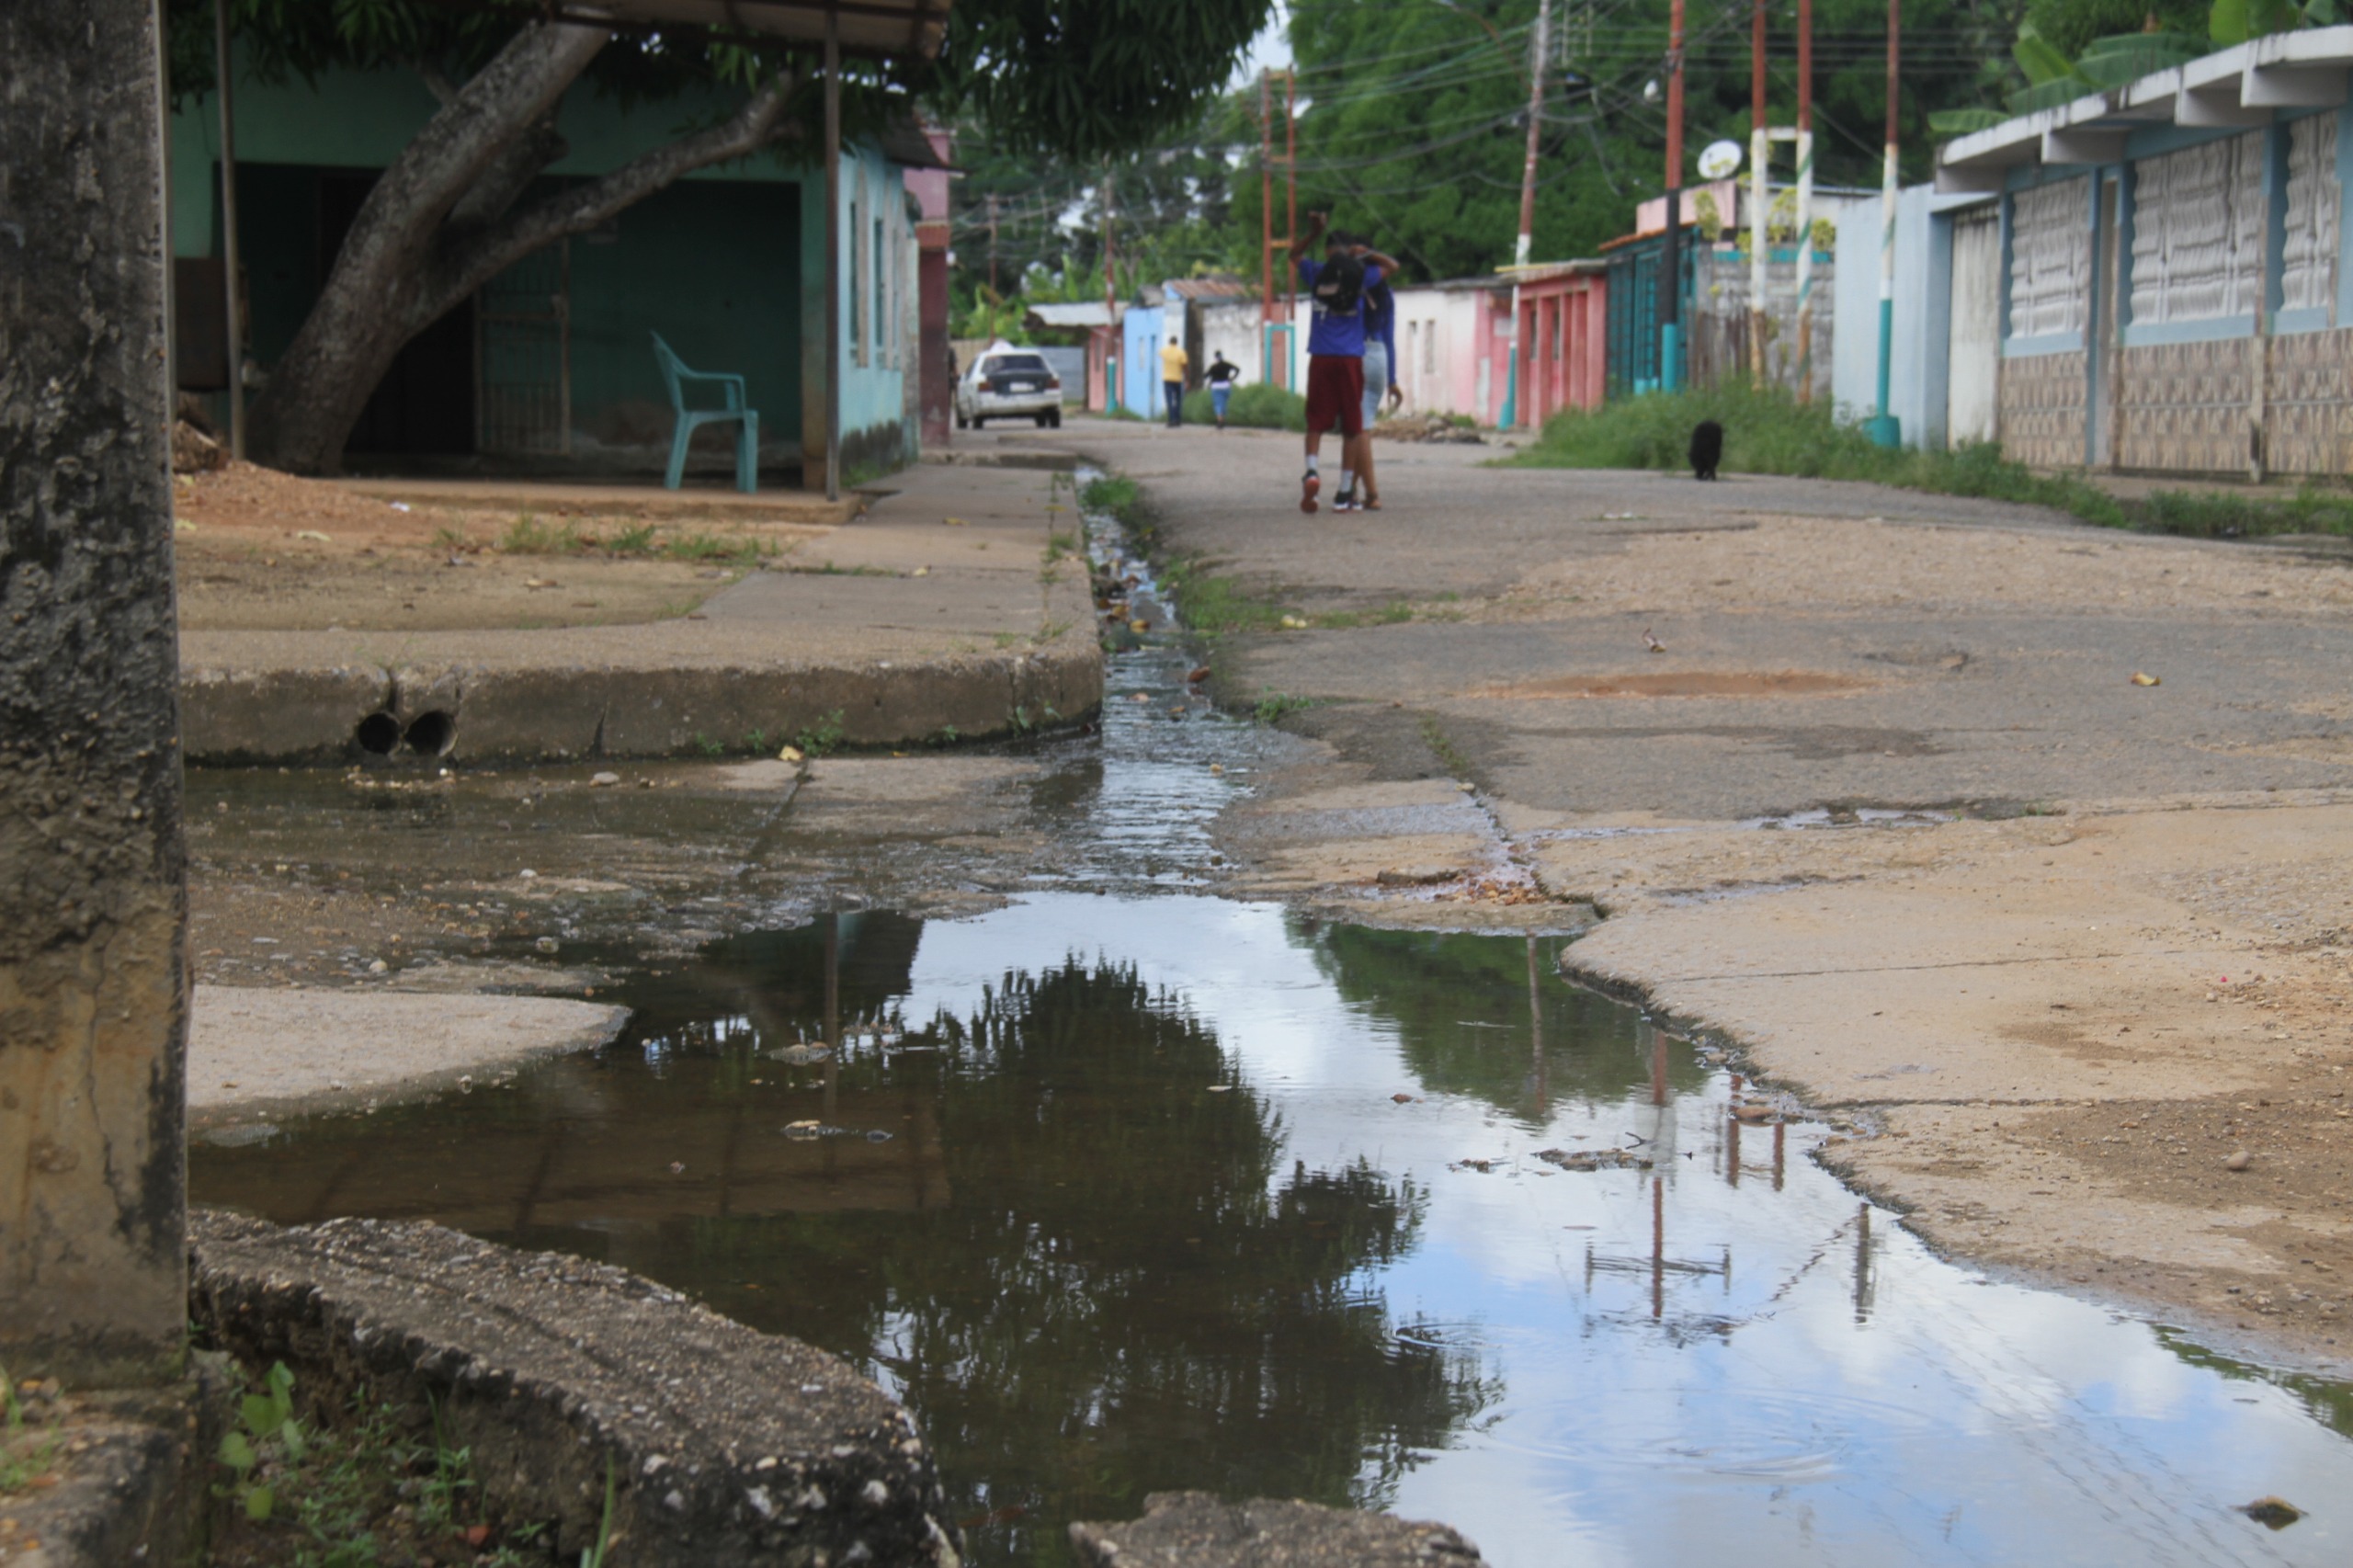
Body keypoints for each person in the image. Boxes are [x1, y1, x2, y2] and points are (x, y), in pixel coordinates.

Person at [1288, 212, 1398, 514]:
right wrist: (1368, 254)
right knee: (1352, 426)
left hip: (1321, 356)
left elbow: (1293, 255)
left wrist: (1312, 232)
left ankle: (1311, 471)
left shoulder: (1315, 271)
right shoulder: (1361, 274)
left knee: (1316, 421)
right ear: (1351, 250)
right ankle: (1344, 492)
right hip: (1351, 358)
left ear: (1326, 251)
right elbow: (1393, 266)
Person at [1349, 242, 1405, 510]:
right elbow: (1390, 337)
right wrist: (1392, 379)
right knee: (1363, 426)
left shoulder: (1350, 289)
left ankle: (1370, 493)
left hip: (1355, 354)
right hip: (1379, 356)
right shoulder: (1386, 294)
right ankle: (1350, 489)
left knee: (1358, 429)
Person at [1205, 351, 1241, 430]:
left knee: (1218, 404)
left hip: (1216, 387)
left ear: (1215, 357)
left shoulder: (1213, 367)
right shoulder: (1227, 365)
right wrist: (1233, 378)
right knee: (1223, 403)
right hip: (1226, 386)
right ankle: (1223, 419)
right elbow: (1238, 369)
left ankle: (1220, 421)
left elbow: (1206, 375)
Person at [1159, 335, 1188, 428]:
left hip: (1167, 378)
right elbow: (1184, 365)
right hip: (1178, 378)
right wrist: (1187, 378)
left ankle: (1171, 420)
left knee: (1169, 400)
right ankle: (1177, 419)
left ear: (1169, 342)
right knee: (1178, 400)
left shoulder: (1164, 351)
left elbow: (1159, 354)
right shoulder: (1181, 352)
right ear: (1177, 343)